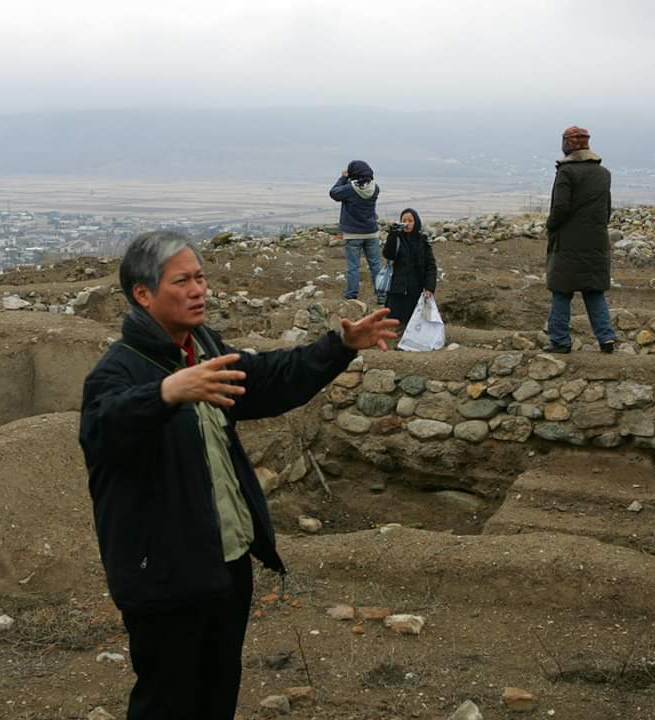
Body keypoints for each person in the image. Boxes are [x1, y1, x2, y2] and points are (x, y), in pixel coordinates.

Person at [79, 231, 397, 720]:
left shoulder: (203, 348)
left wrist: (339, 347)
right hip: (163, 576)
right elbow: (103, 429)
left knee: (217, 691)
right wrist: (166, 393)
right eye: (182, 281)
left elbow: (268, 378)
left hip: (224, 565)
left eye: (200, 278)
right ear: (143, 293)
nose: (198, 290)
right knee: (166, 701)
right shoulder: (119, 371)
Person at [543, 126, 618, 354]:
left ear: (567, 144)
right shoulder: (603, 173)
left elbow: (560, 208)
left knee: (561, 291)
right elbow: (606, 210)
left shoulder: (566, 172)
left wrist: (551, 226)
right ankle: (606, 338)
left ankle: (560, 341)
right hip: (596, 241)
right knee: (594, 290)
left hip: (567, 243)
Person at [330, 160, 383, 301]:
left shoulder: (349, 189)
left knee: (353, 266)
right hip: (371, 233)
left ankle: (352, 294)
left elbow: (334, 193)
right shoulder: (375, 188)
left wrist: (343, 178)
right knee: (376, 266)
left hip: (353, 234)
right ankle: (382, 295)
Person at [383, 207, 437, 330]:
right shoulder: (397, 238)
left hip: (416, 288)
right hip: (398, 288)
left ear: (416, 222)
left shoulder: (423, 241)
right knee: (395, 320)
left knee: (415, 321)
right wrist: (392, 235)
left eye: (410, 220)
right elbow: (388, 255)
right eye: (404, 220)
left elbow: (430, 266)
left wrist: (430, 287)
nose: (407, 223)